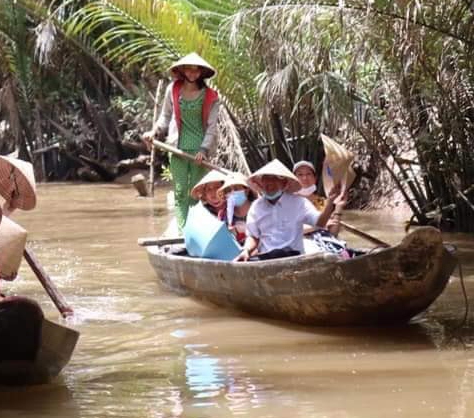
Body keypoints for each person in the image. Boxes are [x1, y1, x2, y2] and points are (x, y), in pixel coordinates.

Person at [141, 53, 224, 229]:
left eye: (196, 70)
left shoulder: (211, 96)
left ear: (201, 72)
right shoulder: (173, 89)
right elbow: (165, 116)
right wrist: (154, 132)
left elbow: (211, 126)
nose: (192, 74)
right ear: (182, 70)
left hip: (199, 151)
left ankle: (192, 230)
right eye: (189, 69)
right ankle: (182, 231)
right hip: (176, 148)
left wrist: (203, 149)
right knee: (179, 191)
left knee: (194, 192)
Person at [234, 160, 340, 262]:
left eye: (274, 179)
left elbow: (320, 222)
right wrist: (246, 250)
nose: (269, 183)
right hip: (267, 259)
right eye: (266, 179)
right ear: (261, 184)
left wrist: (330, 202)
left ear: (284, 183)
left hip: (295, 258)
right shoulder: (256, 207)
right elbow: (253, 236)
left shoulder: (299, 202)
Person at [293, 160, 344, 235]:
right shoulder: (289, 200)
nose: (305, 178)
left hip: (320, 242)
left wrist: (339, 208)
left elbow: (333, 233)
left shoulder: (323, 202)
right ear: (294, 180)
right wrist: (320, 225)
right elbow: (289, 230)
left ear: (315, 179)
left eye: (308, 174)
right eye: (300, 175)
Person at [217, 173, 254, 244]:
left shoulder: (259, 209)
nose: (232, 192)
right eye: (228, 190)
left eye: (236, 188)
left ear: (246, 190)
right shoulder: (223, 216)